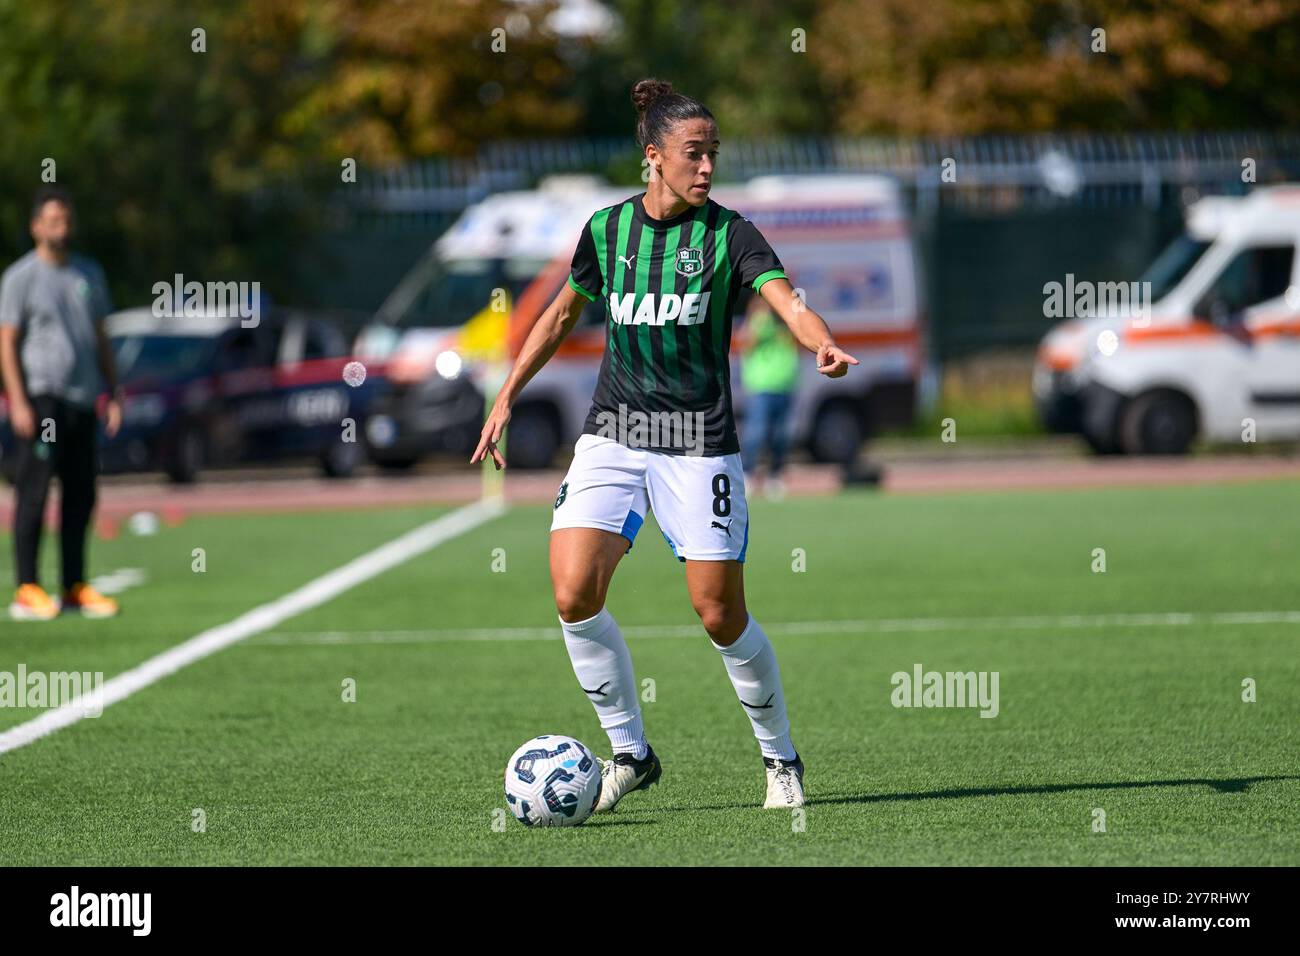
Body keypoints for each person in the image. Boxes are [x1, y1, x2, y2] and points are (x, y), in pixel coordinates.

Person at [471, 78, 858, 811]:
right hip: (614, 432)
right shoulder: (606, 231)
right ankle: (631, 752)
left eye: (714, 154)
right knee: (571, 592)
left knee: (718, 612)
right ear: (654, 157)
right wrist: (507, 393)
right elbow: (558, 319)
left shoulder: (730, 233)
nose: (707, 167)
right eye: (693, 154)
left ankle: (781, 761)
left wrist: (823, 344)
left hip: (697, 442)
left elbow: (787, 300)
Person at [1, 186, 122, 620]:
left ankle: (73, 586)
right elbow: (7, 341)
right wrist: (17, 401)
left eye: (66, 220)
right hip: (42, 398)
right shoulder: (21, 278)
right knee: (35, 490)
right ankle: (28, 587)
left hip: (82, 398)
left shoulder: (87, 274)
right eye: (52, 221)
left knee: (81, 493)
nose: (61, 228)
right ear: (36, 226)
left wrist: (113, 392)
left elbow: (101, 338)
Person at [739, 295, 800, 500]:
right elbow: (746, 343)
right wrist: (760, 315)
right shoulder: (761, 319)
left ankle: (775, 476)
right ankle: (747, 475)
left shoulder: (789, 320)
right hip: (761, 385)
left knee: (781, 436)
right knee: (756, 434)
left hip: (785, 384)